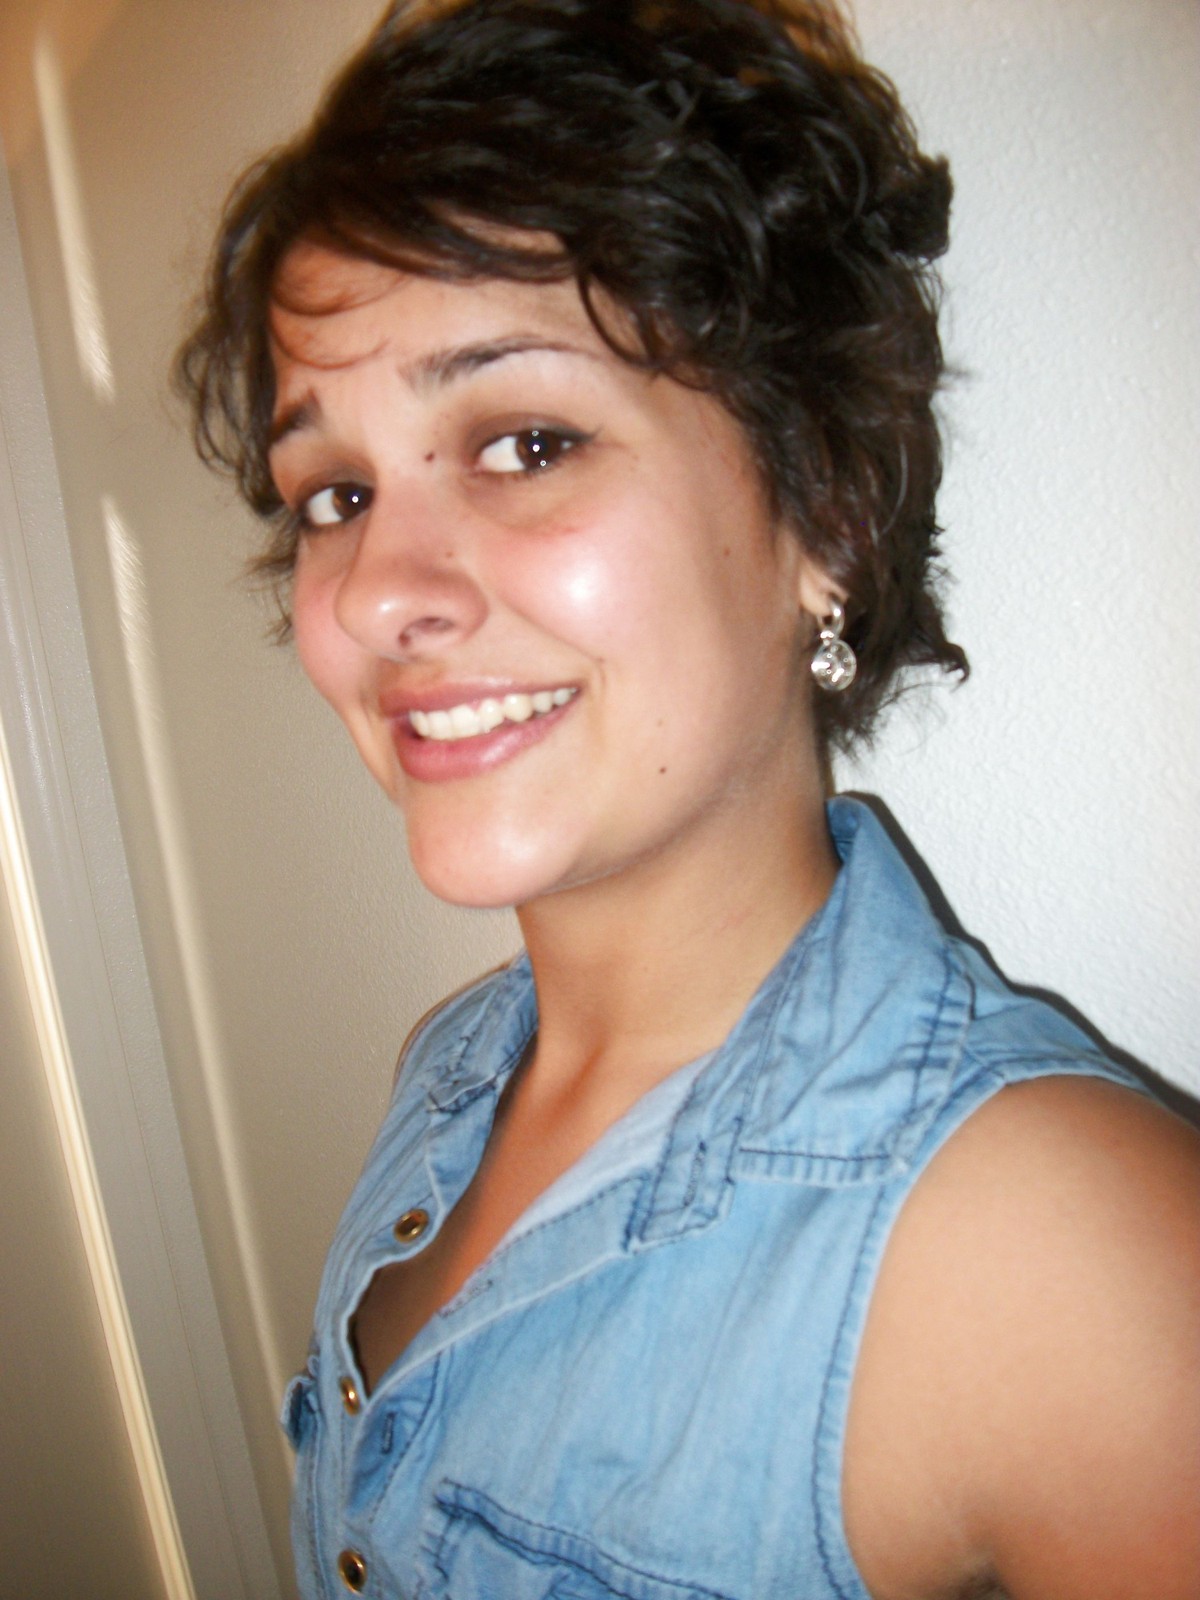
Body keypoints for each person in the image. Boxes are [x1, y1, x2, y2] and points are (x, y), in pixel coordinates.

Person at [176, 2, 1200, 1596]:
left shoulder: (1071, 1256)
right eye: (337, 492)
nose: (373, 590)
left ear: (826, 513)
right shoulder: (449, 1071)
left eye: (526, 442)